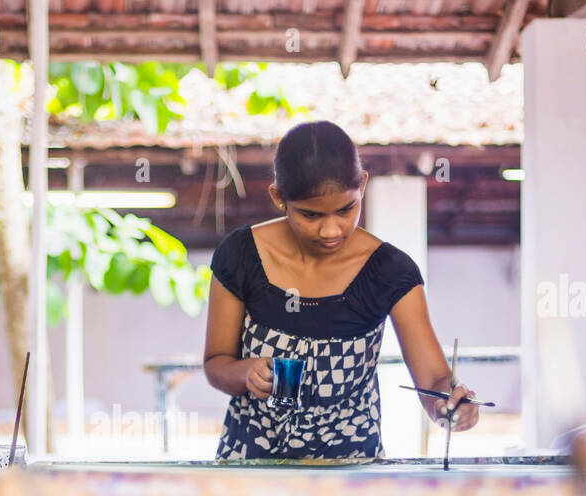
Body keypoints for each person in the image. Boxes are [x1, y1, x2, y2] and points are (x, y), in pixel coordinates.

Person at [203, 120, 478, 459]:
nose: (331, 230)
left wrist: (450, 404)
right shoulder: (240, 255)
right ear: (278, 197)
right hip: (250, 467)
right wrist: (245, 372)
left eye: (347, 209)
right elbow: (216, 363)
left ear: (362, 185)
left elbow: (435, 378)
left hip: (351, 473)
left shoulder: (390, 271)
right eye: (310, 215)